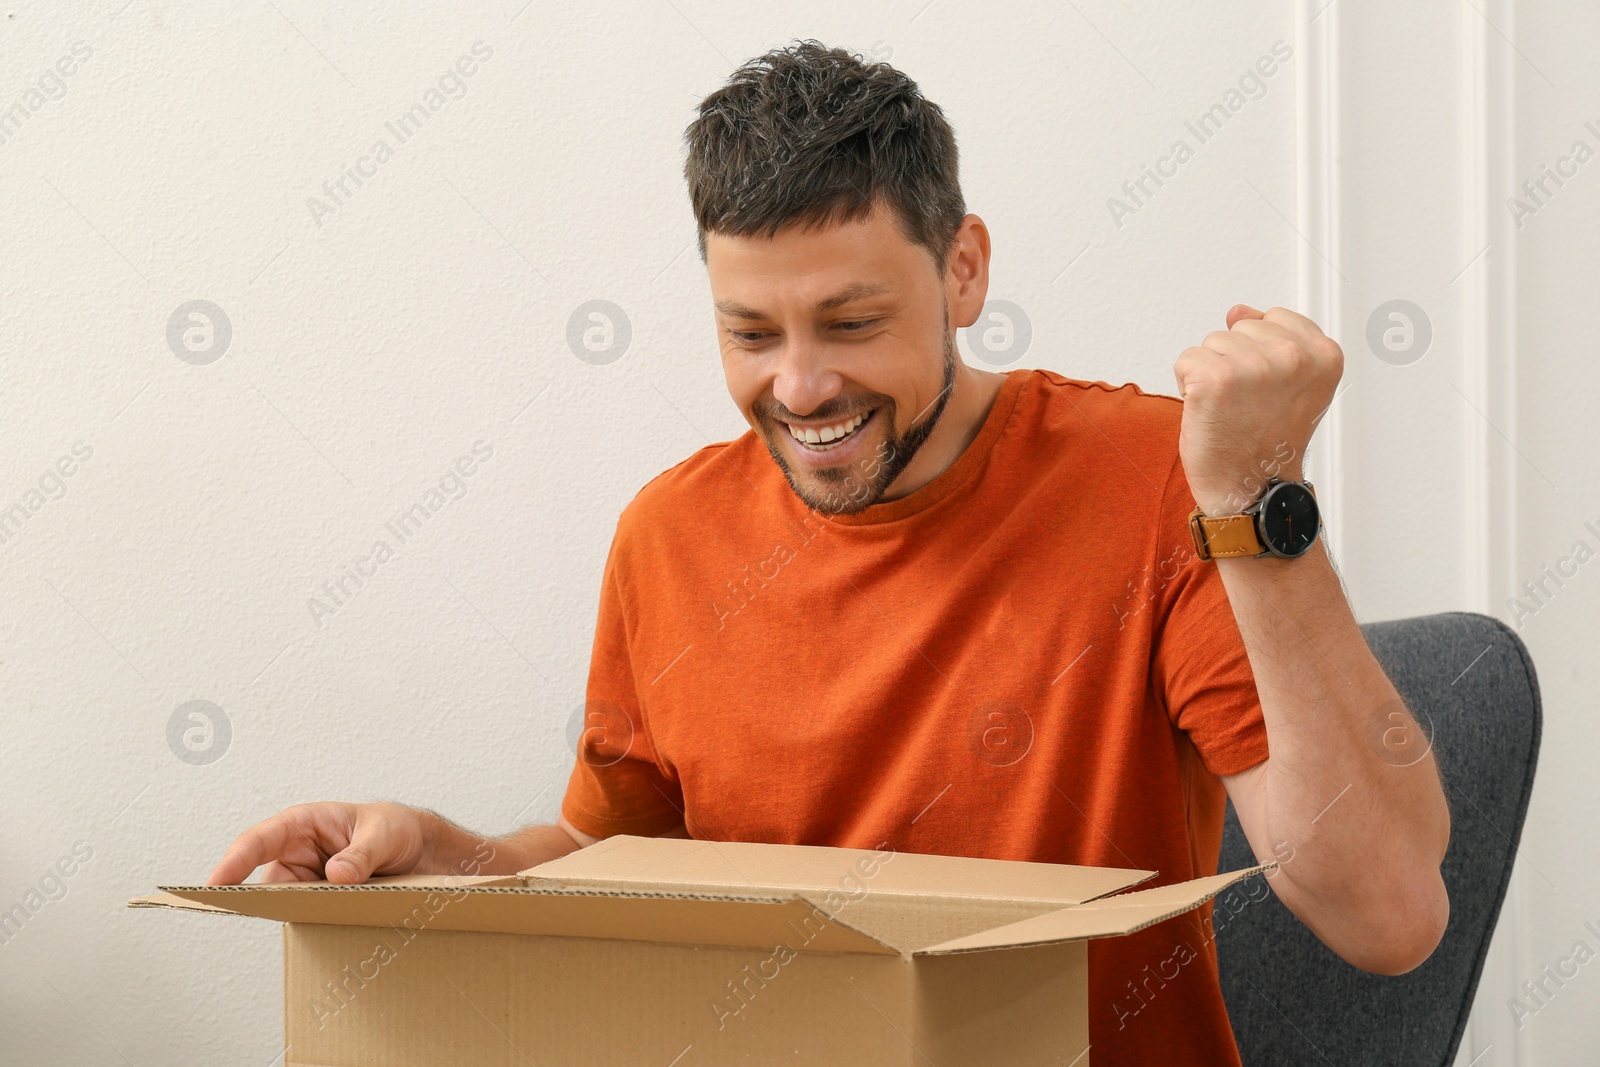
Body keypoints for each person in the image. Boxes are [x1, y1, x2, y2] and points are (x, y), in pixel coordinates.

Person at [208, 41, 1450, 1066]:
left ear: (962, 269)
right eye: (750, 331)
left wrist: (1254, 500)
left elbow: (1388, 912)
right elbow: (616, 861)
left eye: (852, 322)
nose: (800, 387)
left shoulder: (1150, 484)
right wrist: (448, 854)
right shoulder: (667, 534)